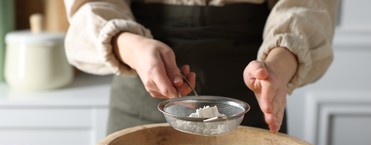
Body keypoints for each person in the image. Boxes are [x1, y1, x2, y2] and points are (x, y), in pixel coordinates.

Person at [63, 0, 338, 135]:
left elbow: (308, 6)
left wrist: (277, 64)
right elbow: (89, 5)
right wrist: (132, 47)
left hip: (250, 107)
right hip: (139, 104)